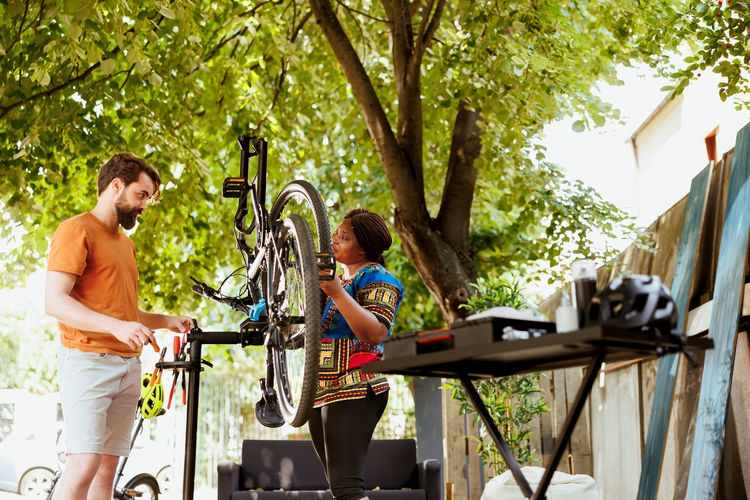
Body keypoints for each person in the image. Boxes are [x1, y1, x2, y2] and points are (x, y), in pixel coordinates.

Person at [44, 153, 194, 500]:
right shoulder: (76, 230)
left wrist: (166, 321)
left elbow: (122, 310)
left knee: (107, 470)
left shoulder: (125, 244)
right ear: (116, 186)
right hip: (87, 362)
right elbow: (55, 302)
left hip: (128, 365)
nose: (144, 205)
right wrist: (118, 327)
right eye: (141, 195)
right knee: (83, 464)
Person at [310, 208, 404, 500]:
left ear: (363, 247)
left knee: (347, 488)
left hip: (357, 384)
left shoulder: (379, 277)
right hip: (322, 387)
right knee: (341, 490)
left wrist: (337, 292)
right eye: (335, 234)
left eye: (344, 237)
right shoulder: (339, 280)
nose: (334, 240)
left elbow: (375, 332)